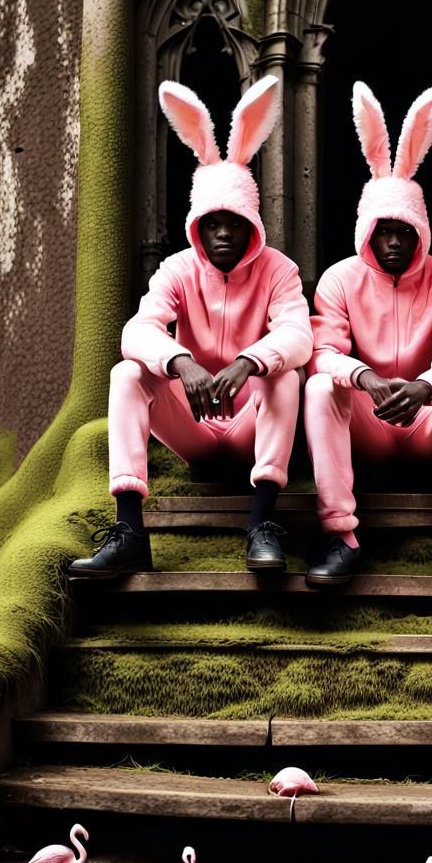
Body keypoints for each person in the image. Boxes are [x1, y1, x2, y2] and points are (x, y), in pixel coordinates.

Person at [69, 77, 312, 578]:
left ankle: (262, 524)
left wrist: (249, 362)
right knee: (127, 374)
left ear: (252, 223)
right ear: (196, 225)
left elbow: (299, 335)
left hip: (249, 429)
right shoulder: (178, 269)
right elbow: (137, 331)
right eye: (213, 221)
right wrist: (183, 363)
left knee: (287, 374)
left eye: (234, 221)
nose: (223, 231)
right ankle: (131, 531)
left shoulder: (279, 270)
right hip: (195, 430)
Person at [303, 81, 432, 595]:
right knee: (320, 387)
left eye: (404, 231)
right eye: (384, 229)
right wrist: (364, 378)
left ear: (421, 231)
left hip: (423, 422)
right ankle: (340, 537)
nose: (393, 241)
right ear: (366, 230)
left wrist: (425, 387)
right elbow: (322, 352)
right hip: (367, 423)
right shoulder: (339, 279)